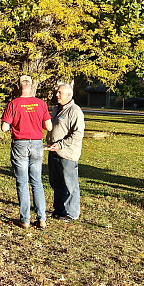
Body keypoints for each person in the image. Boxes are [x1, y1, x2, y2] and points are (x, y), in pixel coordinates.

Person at [1, 75, 53, 229]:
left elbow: (4, 127)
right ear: (31, 86)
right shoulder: (41, 104)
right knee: (37, 181)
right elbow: (48, 127)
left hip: (20, 145)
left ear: (18, 86)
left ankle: (25, 220)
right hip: (37, 145)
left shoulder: (13, 104)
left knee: (22, 182)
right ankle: (41, 218)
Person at [46, 83, 85, 222]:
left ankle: (72, 213)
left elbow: (78, 134)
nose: (57, 95)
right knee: (56, 183)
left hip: (67, 154)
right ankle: (59, 210)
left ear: (69, 95)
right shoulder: (56, 109)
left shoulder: (75, 111)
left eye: (60, 92)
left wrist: (61, 145)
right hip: (53, 152)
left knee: (70, 184)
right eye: (57, 92)